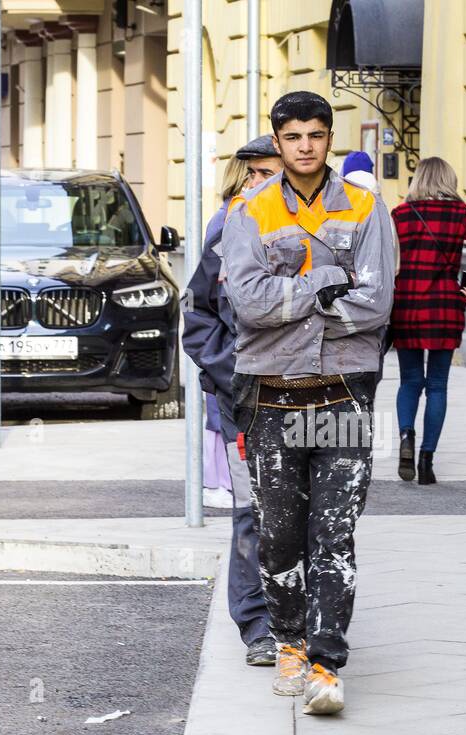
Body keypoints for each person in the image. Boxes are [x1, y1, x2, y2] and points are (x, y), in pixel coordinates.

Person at [221, 91, 396, 715]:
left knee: (335, 533)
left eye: (316, 135)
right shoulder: (251, 211)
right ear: (277, 139)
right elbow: (246, 301)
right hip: (271, 397)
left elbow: (376, 304)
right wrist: (324, 286)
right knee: (278, 535)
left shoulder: (368, 208)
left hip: (344, 395)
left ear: (329, 138)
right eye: (293, 136)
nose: (304, 146)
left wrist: (290, 303)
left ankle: (326, 661)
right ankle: (289, 641)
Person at [182, 134, 283, 665]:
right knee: (252, 510)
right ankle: (257, 625)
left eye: (277, 172)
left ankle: (300, 614)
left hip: (304, 393)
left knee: (300, 509)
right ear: (245, 176)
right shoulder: (226, 228)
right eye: (261, 172)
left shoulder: (311, 227)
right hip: (241, 397)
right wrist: (234, 373)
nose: (269, 182)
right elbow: (197, 318)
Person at [389, 156, 466, 484]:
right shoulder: (459, 213)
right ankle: (426, 459)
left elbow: (384, 258)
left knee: (409, 381)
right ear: (448, 179)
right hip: (444, 309)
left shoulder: (400, 215)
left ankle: (406, 435)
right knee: (437, 385)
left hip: (406, 307)